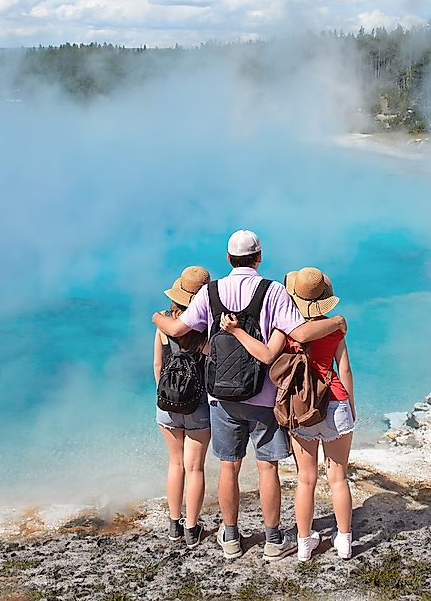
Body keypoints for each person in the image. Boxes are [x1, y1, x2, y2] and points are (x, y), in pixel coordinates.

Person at [151, 230, 345, 562]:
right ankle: (272, 540)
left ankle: (229, 538)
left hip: (220, 398)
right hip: (265, 397)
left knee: (229, 467)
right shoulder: (274, 291)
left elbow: (178, 330)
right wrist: (337, 323)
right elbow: (299, 333)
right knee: (267, 468)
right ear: (259, 257)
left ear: (228, 259)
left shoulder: (210, 292)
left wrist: (157, 317)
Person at [221, 266, 355, 562]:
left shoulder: (286, 331)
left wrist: (235, 331)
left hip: (301, 408)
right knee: (338, 477)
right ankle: (344, 541)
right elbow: (343, 369)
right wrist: (351, 406)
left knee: (306, 479)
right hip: (335, 402)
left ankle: (305, 544)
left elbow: (268, 357)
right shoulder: (335, 329)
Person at [153, 265, 212, 547]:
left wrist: (166, 395)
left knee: (175, 464)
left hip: (167, 404)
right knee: (195, 468)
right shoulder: (207, 325)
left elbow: (157, 365)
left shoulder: (164, 322)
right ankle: (192, 529)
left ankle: (173, 525)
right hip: (199, 405)